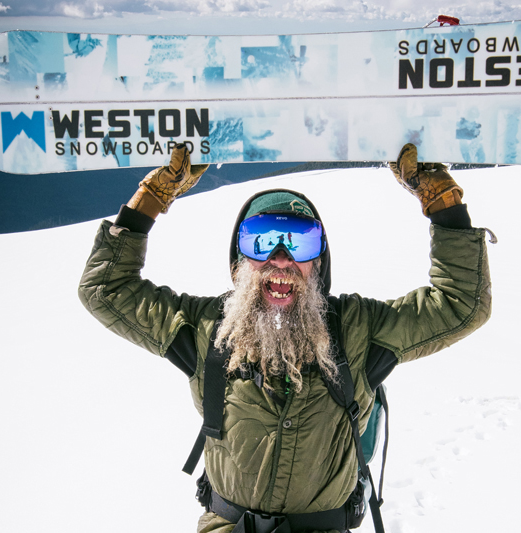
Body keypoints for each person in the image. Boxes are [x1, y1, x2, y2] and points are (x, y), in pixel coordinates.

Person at [78, 143, 492, 533]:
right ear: (240, 261)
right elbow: (104, 290)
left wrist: (442, 201)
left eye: (299, 241)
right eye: (261, 241)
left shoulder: (357, 330)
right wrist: (153, 197)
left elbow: (461, 303)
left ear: (319, 259)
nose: (281, 258)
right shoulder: (208, 329)